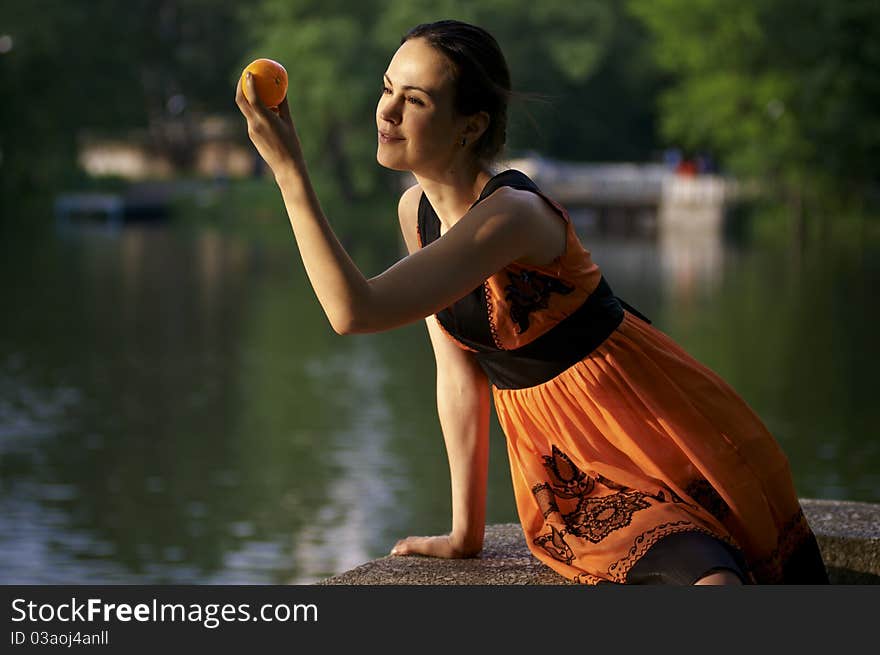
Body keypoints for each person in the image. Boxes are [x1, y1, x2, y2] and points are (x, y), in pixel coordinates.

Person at [235, 19, 829, 585]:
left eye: (414, 100)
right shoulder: (415, 212)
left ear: (469, 126)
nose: (385, 111)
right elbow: (458, 370)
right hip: (561, 457)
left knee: (706, 571)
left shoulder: (510, 216)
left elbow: (353, 312)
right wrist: (464, 535)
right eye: (388, 89)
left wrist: (291, 175)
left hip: (643, 425)